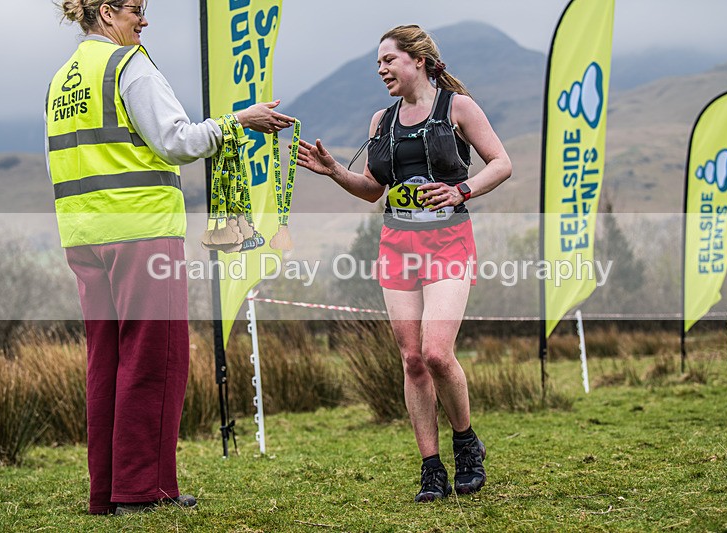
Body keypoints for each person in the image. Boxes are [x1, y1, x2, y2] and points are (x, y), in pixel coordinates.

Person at [46, 0, 294, 515]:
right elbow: (177, 142)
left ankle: (108, 493)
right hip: (141, 232)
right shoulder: (128, 64)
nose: (144, 20)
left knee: (106, 361)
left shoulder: (62, 79)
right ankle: (143, 491)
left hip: (83, 235)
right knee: (156, 357)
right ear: (108, 11)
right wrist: (237, 120)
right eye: (136, 8)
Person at [298, 24, 512, 502]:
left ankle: (466, 443)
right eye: (379, 63)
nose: (381, 69)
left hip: (449, 239)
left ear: (417, 60)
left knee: (437, 352)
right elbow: (372, 188)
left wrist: (462, 189)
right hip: (397, 241)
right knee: (412, 360)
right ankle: (430, 468)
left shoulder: (457, 108)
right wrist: (335, 172)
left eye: (388, 60)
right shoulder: (382, 121)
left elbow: (501, 162)